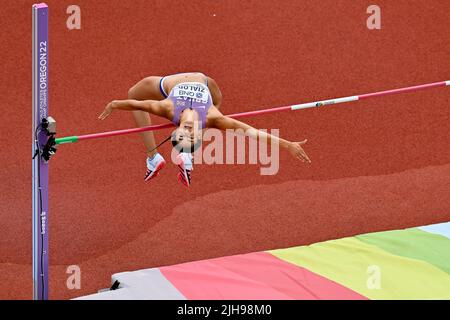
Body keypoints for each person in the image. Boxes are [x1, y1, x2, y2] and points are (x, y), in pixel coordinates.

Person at [98, 72, 311, 187]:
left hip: (169, 84)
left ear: (177, 128)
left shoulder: (167, 108)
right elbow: (252, 132)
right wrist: (287, 144)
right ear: (196, 134)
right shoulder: (212, 117)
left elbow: (134, 103)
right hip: (207, 82)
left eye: (183, 132)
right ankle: (182, 157)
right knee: (217, 105)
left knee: (133, 92)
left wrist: (115, 104)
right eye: (191, 134)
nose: (188, 128)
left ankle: (153, 158)